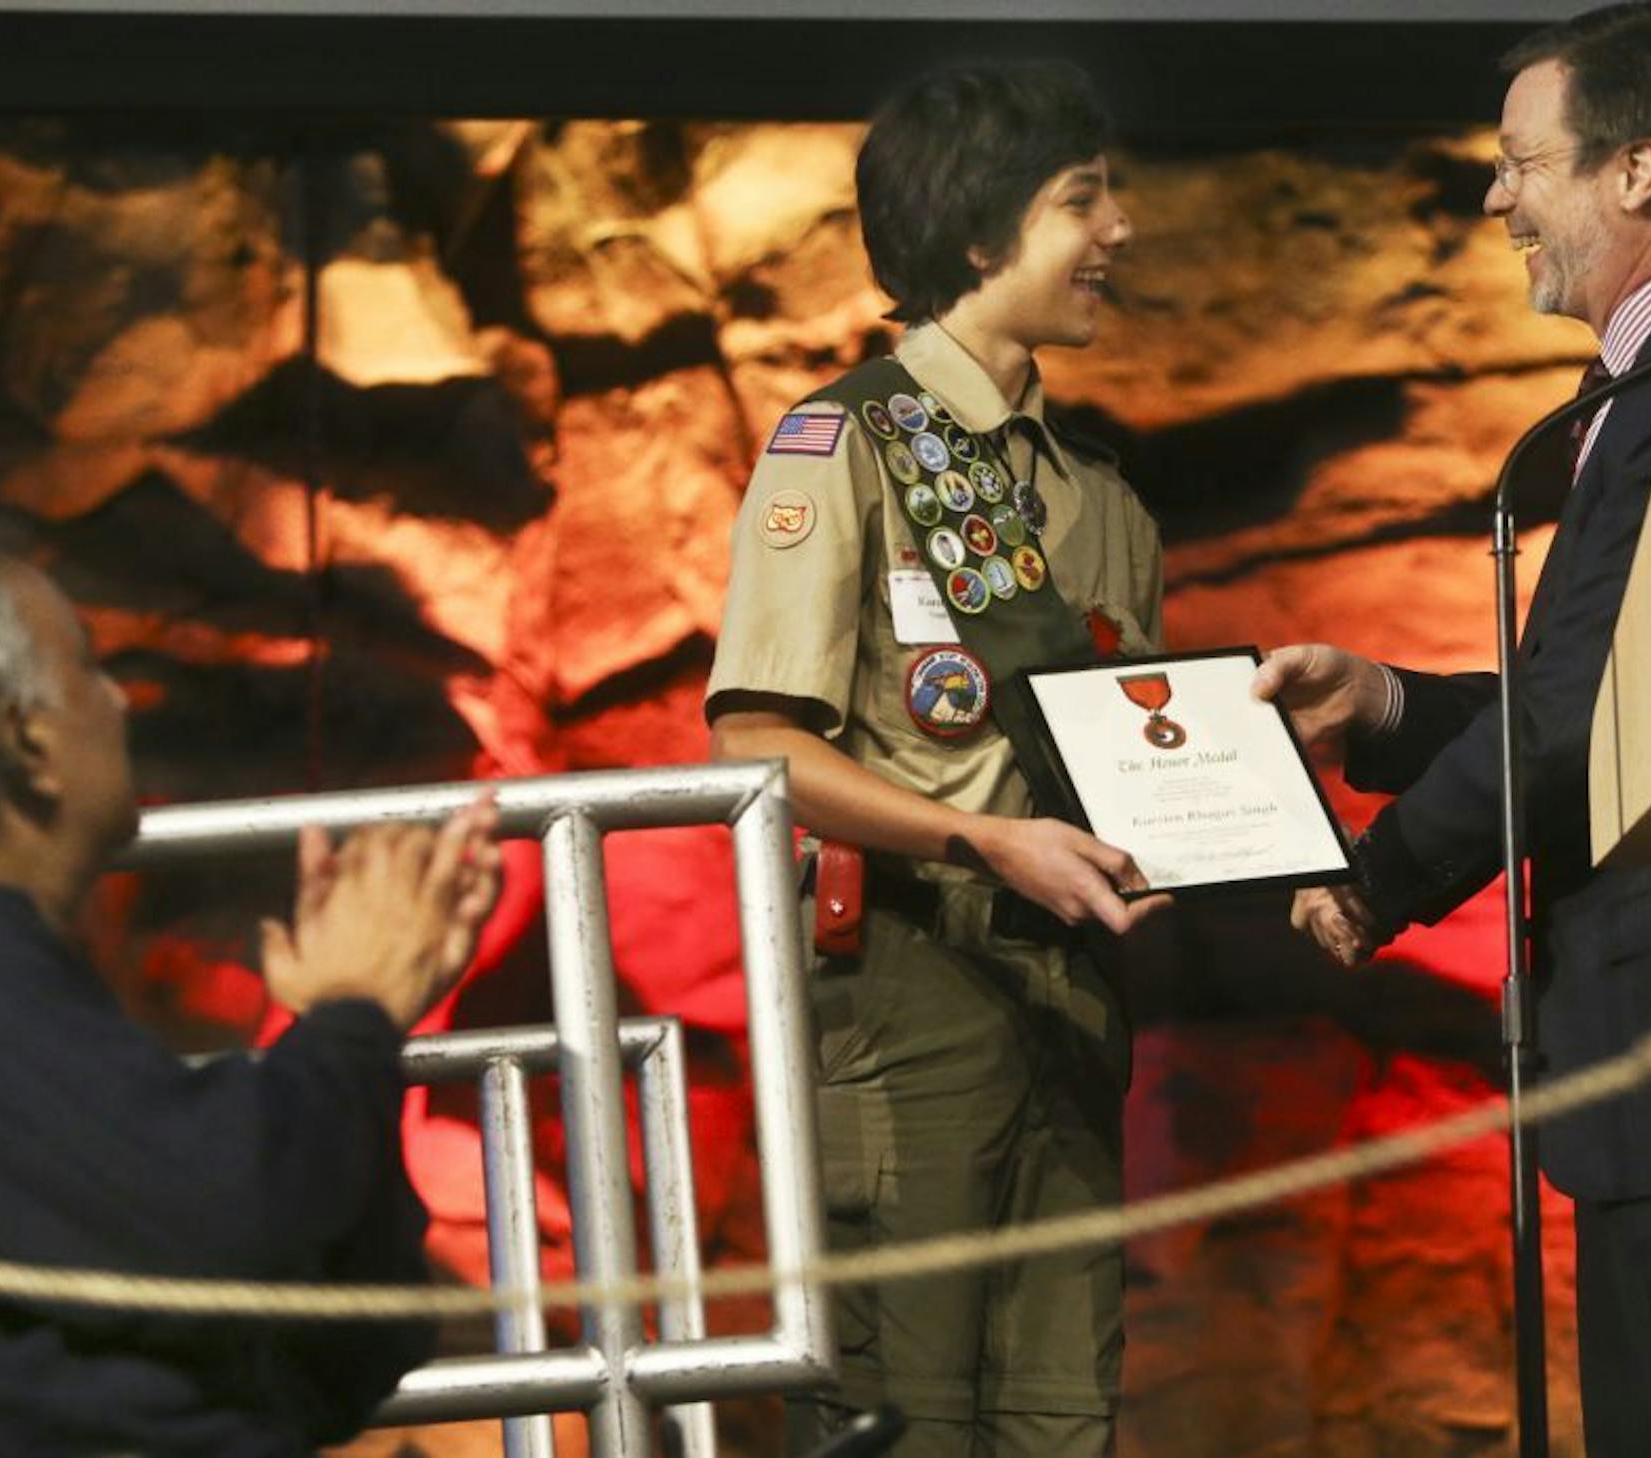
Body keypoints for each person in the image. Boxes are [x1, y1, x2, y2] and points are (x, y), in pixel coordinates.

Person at [1252, 5, 1651, 1452]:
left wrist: (1380, 878)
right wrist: (1384, 706)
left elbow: (1576, 717)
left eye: (1522, 163)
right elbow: (1621, 698)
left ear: (1633, 170)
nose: (1496, 196)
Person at [0, 517, 501, 1457]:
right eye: (87, 668)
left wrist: (349, 1026)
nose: (118, 701)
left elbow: (346, 1343)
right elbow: (222, 1216)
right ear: (23, 738)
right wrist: (355, 1015)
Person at [707, 59, 1168, 1458]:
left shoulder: (1105, 504)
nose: (1119, 230)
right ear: (980, 235)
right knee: (895, 1412)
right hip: (906, 976)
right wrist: (980, 838)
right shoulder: (838, 446)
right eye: (1081, 200)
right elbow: (755, 741)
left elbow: (1142, 765)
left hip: (1071, 979)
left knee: (1060, 1408)